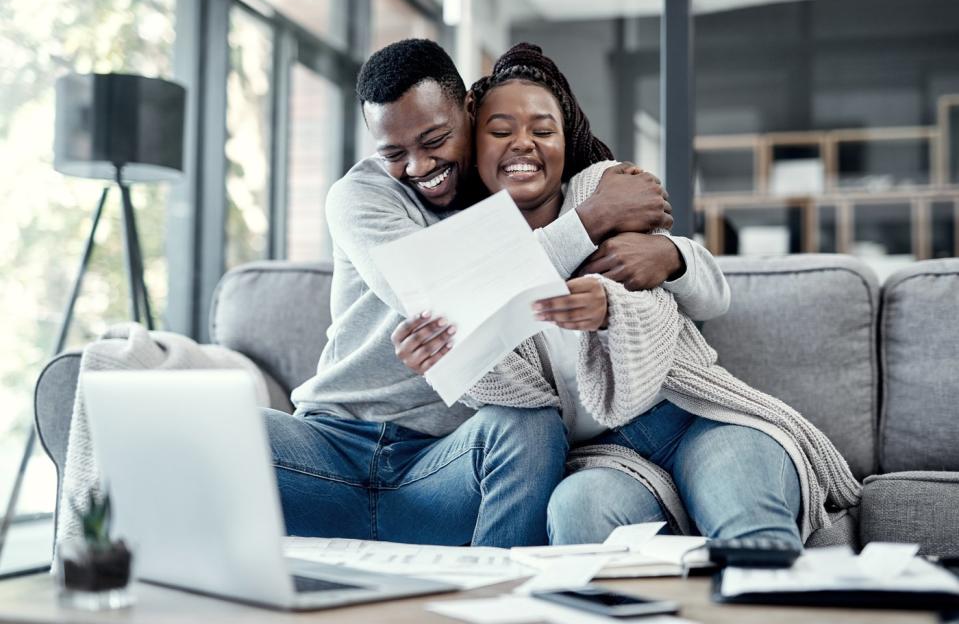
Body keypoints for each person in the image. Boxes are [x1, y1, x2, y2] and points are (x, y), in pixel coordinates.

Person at [394, 43, 861, 548]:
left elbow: (689, 298)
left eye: (543, 131)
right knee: (578, 512)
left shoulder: (605, 191)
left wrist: (657, 268)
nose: (523, 143)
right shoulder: (466, 255)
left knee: (748, 527)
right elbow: (510, 389)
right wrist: (448, 354)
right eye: (501, 131)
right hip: (605, 456)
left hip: (693, 415)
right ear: (473, 145)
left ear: (565, 143)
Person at [261, 38, 713, 548]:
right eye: (394, 153)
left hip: (442, 468)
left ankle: (498, 598)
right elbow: (441, 292)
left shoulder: (519, 194)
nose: (418, 167)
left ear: (470, 109)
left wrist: (673, 256)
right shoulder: (359, 196)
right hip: (330, 448)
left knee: (530, 426)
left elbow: (674, 284)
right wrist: (594, 220)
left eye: (434, 140)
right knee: (220, 428)